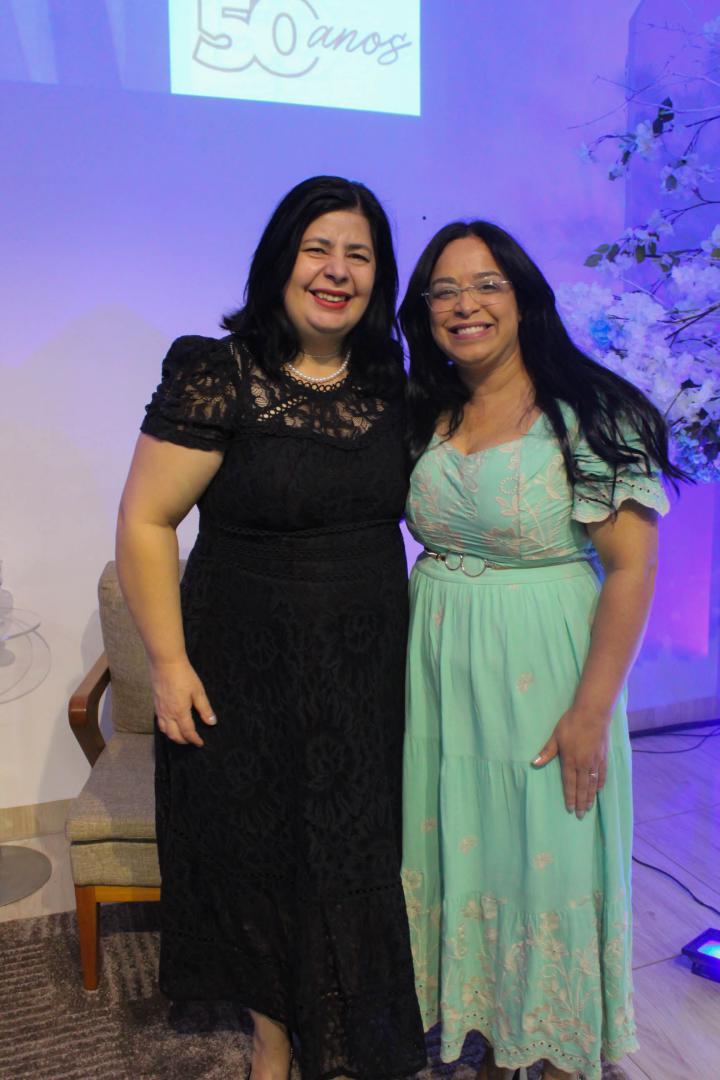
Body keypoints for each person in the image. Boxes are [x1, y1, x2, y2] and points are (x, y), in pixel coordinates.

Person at [116, 176, 426, 1080]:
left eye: (359, 255)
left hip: (365, 670)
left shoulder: (394, 387)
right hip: (242, 667)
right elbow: (145, 520)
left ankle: (356, 1028)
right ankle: (275, 1039)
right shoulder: (221, 372)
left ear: (379, 277)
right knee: (257, 854)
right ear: (280, 261)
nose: (337, 271)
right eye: (317, 249)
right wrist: (167, 664)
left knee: (355, 851)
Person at [398, 220, 684, 1080]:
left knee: (546, 863)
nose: (465, 305)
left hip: (546, 664)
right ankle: (486, 1032)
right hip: (440, 663)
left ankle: (558, 1051)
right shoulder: (425, 408)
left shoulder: (590, 414)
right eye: (444, 290)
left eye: (486, 284)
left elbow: (632, 569)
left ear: (523, 297)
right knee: (464, 850)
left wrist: (591, 712)